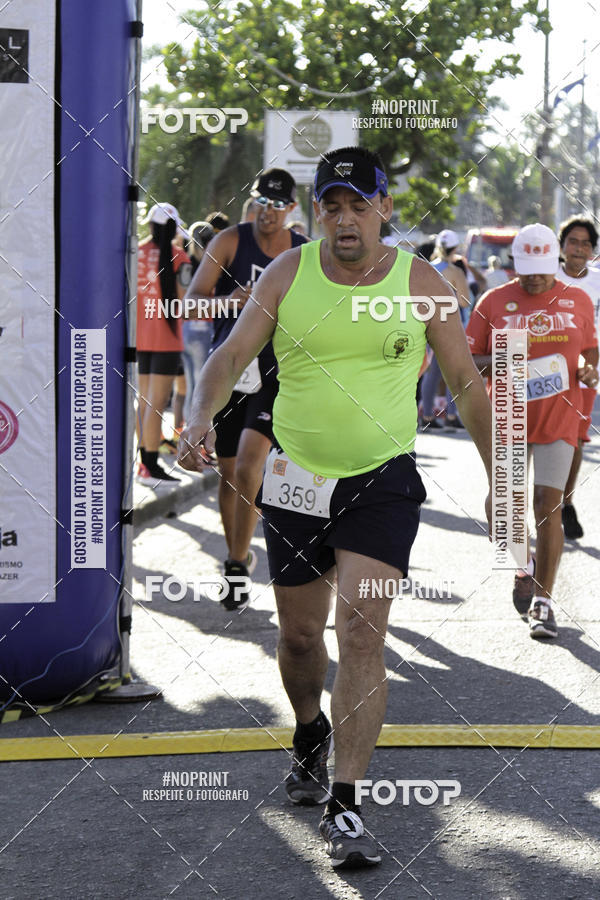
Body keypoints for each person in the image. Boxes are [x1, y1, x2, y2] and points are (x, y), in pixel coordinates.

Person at [178, 146, 493, 869]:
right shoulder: (291, 273)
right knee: (297, 641)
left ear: (385, 208)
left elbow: (466, 381)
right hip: (295, 480)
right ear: (316, 211)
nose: (345, 219)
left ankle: (345, 803)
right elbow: (228, 358)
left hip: (381, 481)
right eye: (332, 205)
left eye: (359, 205)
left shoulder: (424, 282)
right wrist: (200, 414)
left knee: (360, 632)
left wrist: (498, 473)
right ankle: (309, 727)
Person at [467, 223, 598, 640]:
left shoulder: (576, 299)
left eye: (543, 270)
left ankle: (544, 601)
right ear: (516, 266)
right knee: (502, 507)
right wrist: (505, 359)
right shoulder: (493, 301)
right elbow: (467, 361)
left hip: (560, 413)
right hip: (507, 415)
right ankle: (523, 567)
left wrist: (588, 367)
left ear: (553, 262)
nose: (536, 279)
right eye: (528, 271)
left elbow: (588, 349)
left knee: (548, 505)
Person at [185, 168, 307, 608]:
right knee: (229, 472)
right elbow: (190, 301)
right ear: (252, 200)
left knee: (250, 464)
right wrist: (230, 302)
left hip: (277, 370)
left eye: (277, 206)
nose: (267, 214)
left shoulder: (301, 251)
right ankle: (237, 559)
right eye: (260, 203)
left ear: (291, 209)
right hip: (232, 365)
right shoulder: (230, 241)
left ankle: (238, 565)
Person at [136, 202, 192, 484]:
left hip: (139, 338)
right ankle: (149, 465)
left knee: (144, 402)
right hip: (168, 339)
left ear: (149, 225)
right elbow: (185, 302)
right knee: (156, 404)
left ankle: (143, 463)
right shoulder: (179, 257)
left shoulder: (136, 253)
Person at [557, 216, 600, 538]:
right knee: (539, 439)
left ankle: (565, 503)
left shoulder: (598, 281)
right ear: (562, 246)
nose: (579, 248)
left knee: (576, 439)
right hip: (546, 370)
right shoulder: (544, 277)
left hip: (586, 371)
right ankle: (538, 501)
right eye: (574, 241)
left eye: (586, 243)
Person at [419, 230, 471, 430]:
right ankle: (451, 415)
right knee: (453, 370)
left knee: (431, 372)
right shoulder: (455, 272)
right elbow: (464, 301)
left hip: (427, 322)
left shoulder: (426, 268)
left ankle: (427, 415)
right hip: (451, 324)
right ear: (455, 248)